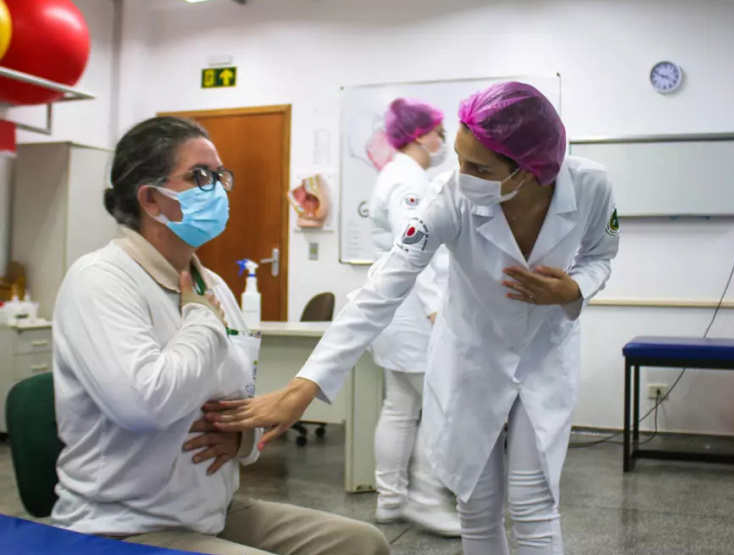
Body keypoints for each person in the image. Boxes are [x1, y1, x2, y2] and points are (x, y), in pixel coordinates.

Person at [208, 82, 620, 555]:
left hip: (545, 356)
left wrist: (574, 288)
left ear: (529, 171)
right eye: (460, 159)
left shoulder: (590, 185)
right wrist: (305, 387)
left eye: (478, 168)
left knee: (534, 506)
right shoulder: (450, 196)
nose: (460, 175)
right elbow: (383, 286)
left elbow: (601, 256)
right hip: (472, 357)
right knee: (477, 507)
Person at [51, 116, 389, 555]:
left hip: (211, 512)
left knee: (362, 544)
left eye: (220, 176)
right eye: (200, 176)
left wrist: (241, 438)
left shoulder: (210, 283)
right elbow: (146, 404)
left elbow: (233, 394)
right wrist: (201, 321)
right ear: (152, 198)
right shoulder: (100, 280)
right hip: (121, 524)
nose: (218, 190)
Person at [367, 98, 460, 536]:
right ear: (421, 134)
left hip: (396, 310)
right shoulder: (408, 178)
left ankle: (390, 501)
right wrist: (433, 306)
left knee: (400, 406)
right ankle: (426, 499)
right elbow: (414, 246)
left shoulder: (394, 173)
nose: (443, 140)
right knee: (438, 407)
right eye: (439, 132)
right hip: (415, 311)